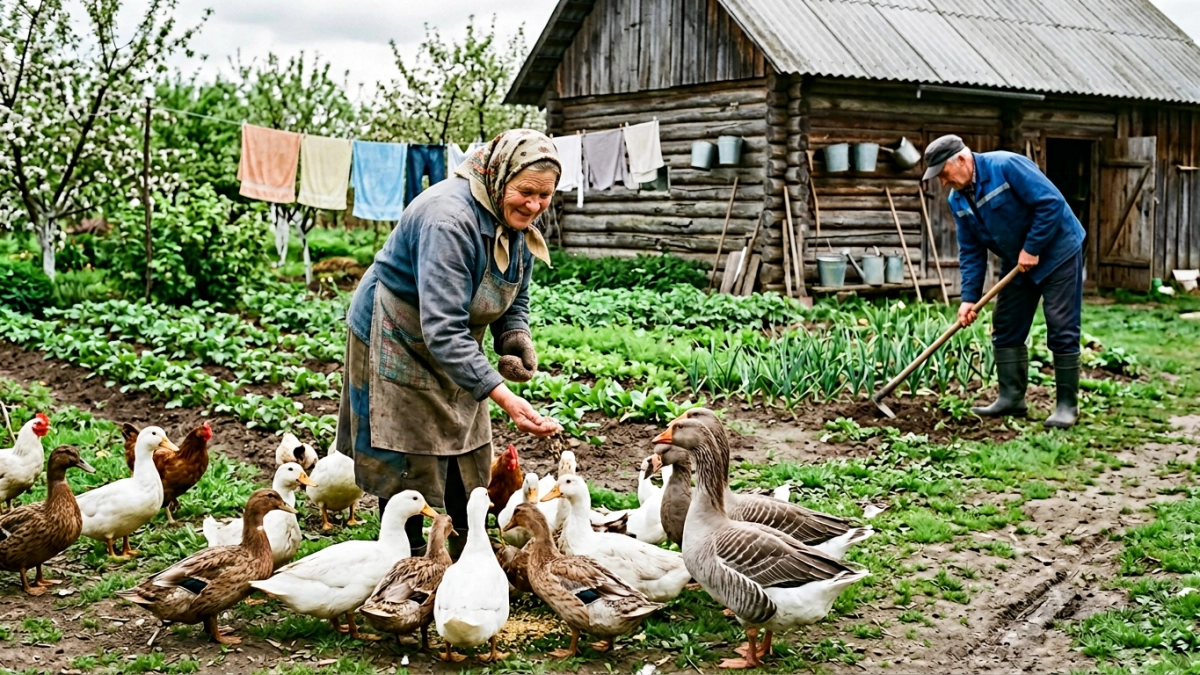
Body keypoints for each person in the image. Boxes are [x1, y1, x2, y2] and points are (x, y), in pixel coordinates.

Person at [336, 130, 563, 558]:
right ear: (501, 178)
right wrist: (506, 398)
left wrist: (516, 340)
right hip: (397, 329)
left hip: (452, 333)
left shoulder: (515, 219)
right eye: (526, 192)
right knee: (401, 439)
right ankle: (404, 552)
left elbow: (515, 293)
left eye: (545, 196)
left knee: (467, 433)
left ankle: (465, 544)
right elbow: (441, 329)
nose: (533, 206)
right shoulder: (449, 221)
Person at [923, 135, 1085, 429]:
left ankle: (1066, 407)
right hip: (1017, 261)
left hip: (1058, 251)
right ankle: (1011, 399)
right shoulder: (957, 199)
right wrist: (969, 298)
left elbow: (1051, 203)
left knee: (1061, 324)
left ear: (961, 159)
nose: (943, 182)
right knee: (1006, 324)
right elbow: (971, 250)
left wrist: (1033, 247)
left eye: (944, 174)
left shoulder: (1006, 166)